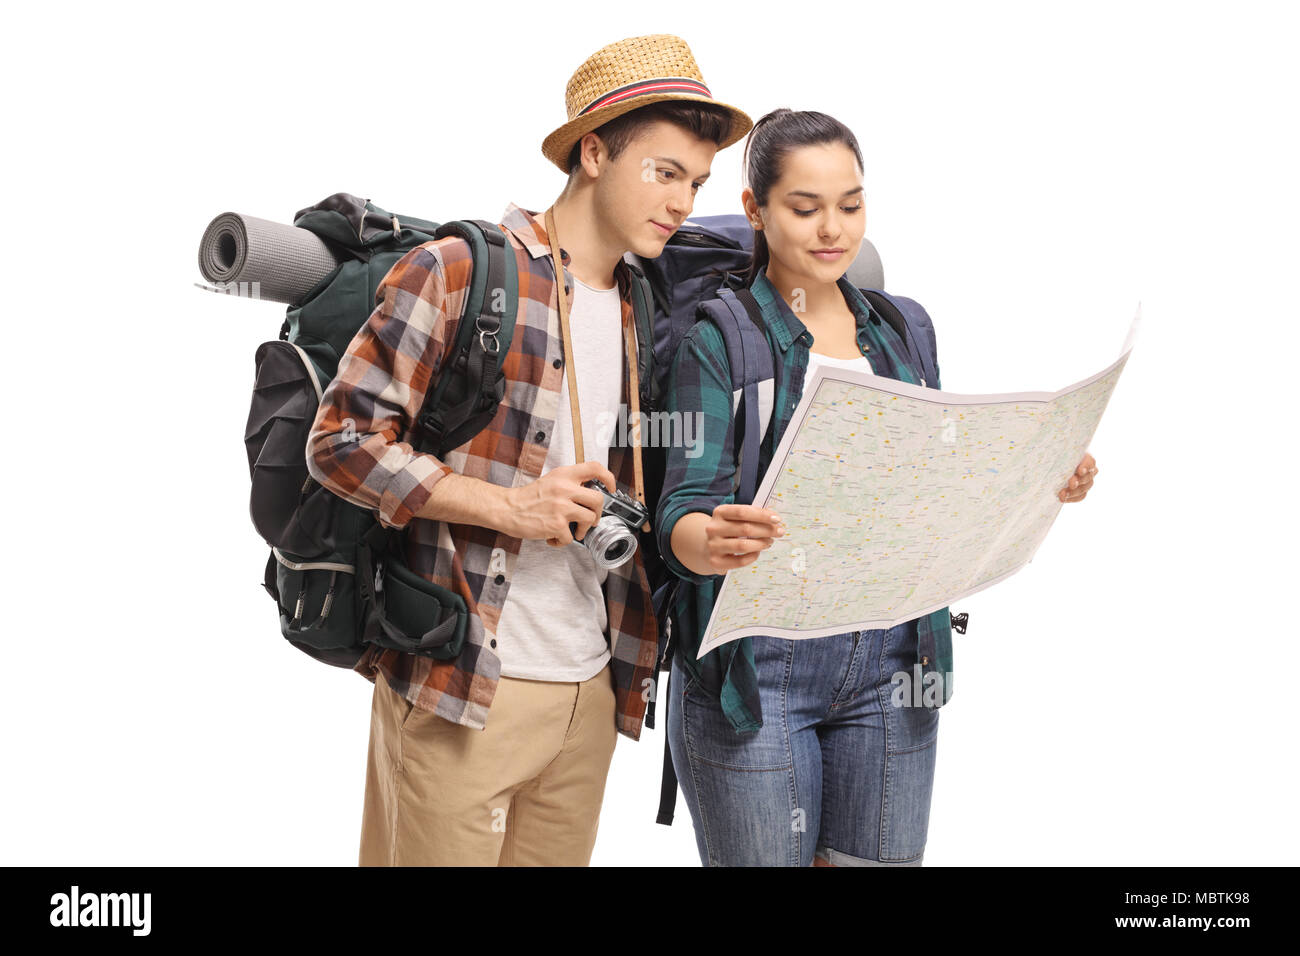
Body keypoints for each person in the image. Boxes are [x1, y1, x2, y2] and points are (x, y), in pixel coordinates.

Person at [305, 34, 752, 866]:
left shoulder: (642, 306)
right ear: (592, 151)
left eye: (696, 182)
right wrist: (511, 507)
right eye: (664, 172)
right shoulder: (456, 270)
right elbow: (341, 441)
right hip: (463, 683)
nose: (684, 201)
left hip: (592, 688)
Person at [655, 108, 1099, 867]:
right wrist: (709, 540)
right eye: (805, 208)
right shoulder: (720, 336)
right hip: (758, 676)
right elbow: (679, 513)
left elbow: (937, 485)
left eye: (851, 205)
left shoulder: (902, 332)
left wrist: (1040, 476)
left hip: (896, 664)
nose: (833, 229)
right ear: (757, 209)